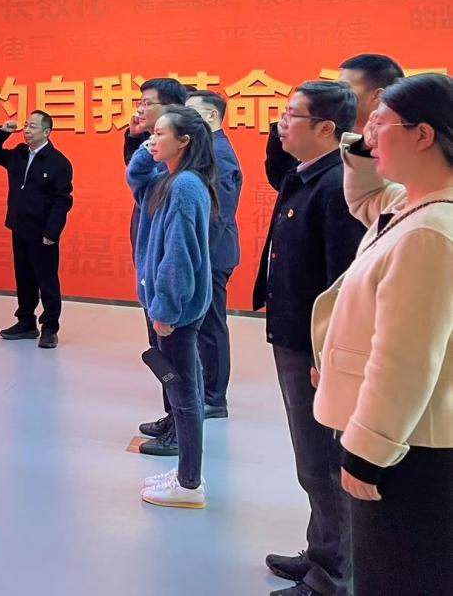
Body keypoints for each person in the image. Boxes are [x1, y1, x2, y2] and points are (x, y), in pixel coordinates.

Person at [312, 73, 453, 595]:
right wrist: (363, 137)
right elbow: (367, 192)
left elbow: (405, 361)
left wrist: (368, 450)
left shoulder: (429, 231)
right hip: (406, 438)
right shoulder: (413, 204)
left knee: (398, 574)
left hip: (410, 448)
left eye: (382, 124)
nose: (369, 134)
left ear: (423, 135)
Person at [256, 82, 365, 596]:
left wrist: (330, 354)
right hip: (293, 337)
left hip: (315, 350)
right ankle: (321, 552)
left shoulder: (337, 186)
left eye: (291, 116)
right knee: (312, 461)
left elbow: (342, 283)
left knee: (323, 464)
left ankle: (334, 576)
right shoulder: (305, 176)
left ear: (326, 128)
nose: (280, 124)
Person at [127, 106, 216, 508]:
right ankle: (186, 475)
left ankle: (189, 483)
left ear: (185, 141)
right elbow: (136, 178)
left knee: (183, 395)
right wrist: (144, 149)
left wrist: (165, 309)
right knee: (183, 390)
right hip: (169, 307)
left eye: (160, 134)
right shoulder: (168, 180)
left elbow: (179, 256)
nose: (152, 140)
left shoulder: (185, 187)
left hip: (176, 311)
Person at [123, 78, 189, 452]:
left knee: (180, 361)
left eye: (148, 104)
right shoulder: (161, 161)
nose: (140, 109)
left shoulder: (183, 175)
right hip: (154, 278)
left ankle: (182, 434)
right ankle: (172, 416)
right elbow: (136, 178)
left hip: (169, 285)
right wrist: (140, 142)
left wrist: (166, 299)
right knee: (164, 356)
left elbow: (178, 250)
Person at [0, 110, 74, 348]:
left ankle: (50, 328)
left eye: (33, 126)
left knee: (46, 280)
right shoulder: (19, 154)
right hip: (19, 226)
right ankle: (26, 322)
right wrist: (3, 132)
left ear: (46, 132)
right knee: (24, 277)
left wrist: (52, 232)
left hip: (43, 232)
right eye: (26, 125)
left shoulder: (58, 163)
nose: (26, 130)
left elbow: (62, 201)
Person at [184, 89, 243, 420]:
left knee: (211, 325)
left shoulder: (218, 154)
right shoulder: (207, 149)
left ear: (210, 116)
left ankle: (214, 398)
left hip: (211, 254)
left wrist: (197, 258)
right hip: (205, 253)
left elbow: (217, 214)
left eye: (192, 112)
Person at [266, 54, 404, 191]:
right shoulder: (332, 135)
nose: (337, 92)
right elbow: (288, 184)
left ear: (378, 96)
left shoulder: (404, 145)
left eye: (345, 87)